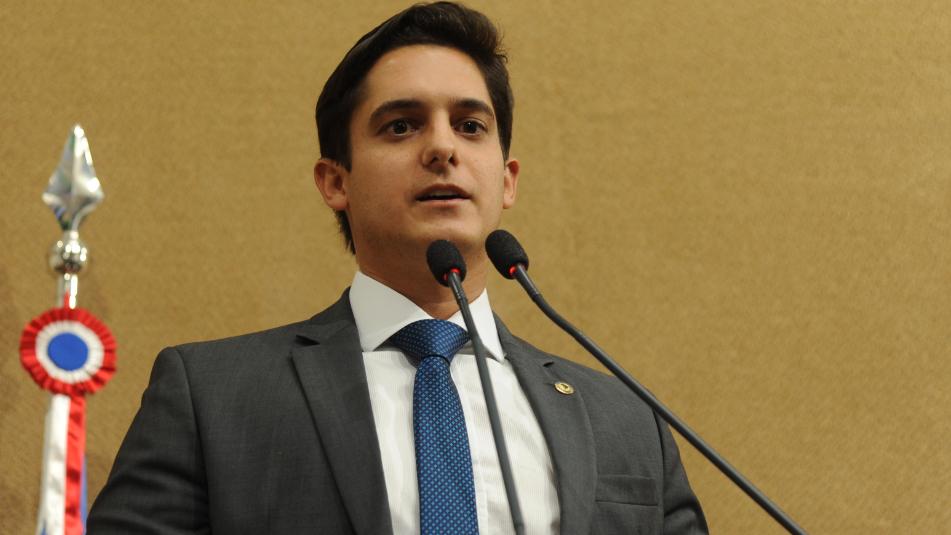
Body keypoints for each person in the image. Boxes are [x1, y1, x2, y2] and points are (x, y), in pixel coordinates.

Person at [87, 3, 707, 534]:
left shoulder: (626, 421)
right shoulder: (213, 399)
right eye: (402, 126)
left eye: (470, 126)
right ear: (335, 181)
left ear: (507, 179)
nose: (442, 148)